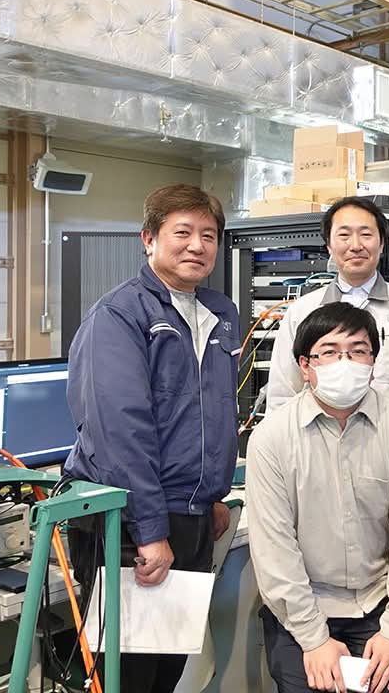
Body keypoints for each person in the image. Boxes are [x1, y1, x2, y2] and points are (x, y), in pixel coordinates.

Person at [63, 183, 240, 693]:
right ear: (148, 239)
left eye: (208, 235)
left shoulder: (220, 313)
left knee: (169, 667)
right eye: (182, 232)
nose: (196, 246)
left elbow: (213, 412)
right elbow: (120, 431)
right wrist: (149, 530)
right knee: (129, 673)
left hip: (191, 517)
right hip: (131, 521)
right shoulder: (120, 315)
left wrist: (211, 495)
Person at [248, 302, 389, 693]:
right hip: (305, 605)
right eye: (330, 352)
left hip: (381, 601)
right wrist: (313, 638)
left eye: (357, 351)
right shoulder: (272, 438)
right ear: (305, 366)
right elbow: (274, 551)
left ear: (373, 364)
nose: (345, 363)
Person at [265, 196, 389, 413]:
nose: (356, 246)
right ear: (329, 245)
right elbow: (282, 394)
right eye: (344, 235)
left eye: (366, 234)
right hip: (319, 432)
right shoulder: (302, 311)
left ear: (381, 243)